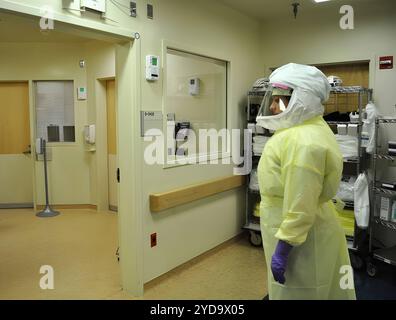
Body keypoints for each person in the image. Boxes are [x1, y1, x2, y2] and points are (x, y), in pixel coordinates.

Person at [256, 63, 356, 300]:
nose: (272, 105)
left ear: (304, 99)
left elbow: (300, 202)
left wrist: (285, 246)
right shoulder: (309, 128)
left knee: (302, 291)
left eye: (281, 99)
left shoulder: (302, 141)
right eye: (273, 98)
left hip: (300, 240)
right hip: (308, 229)